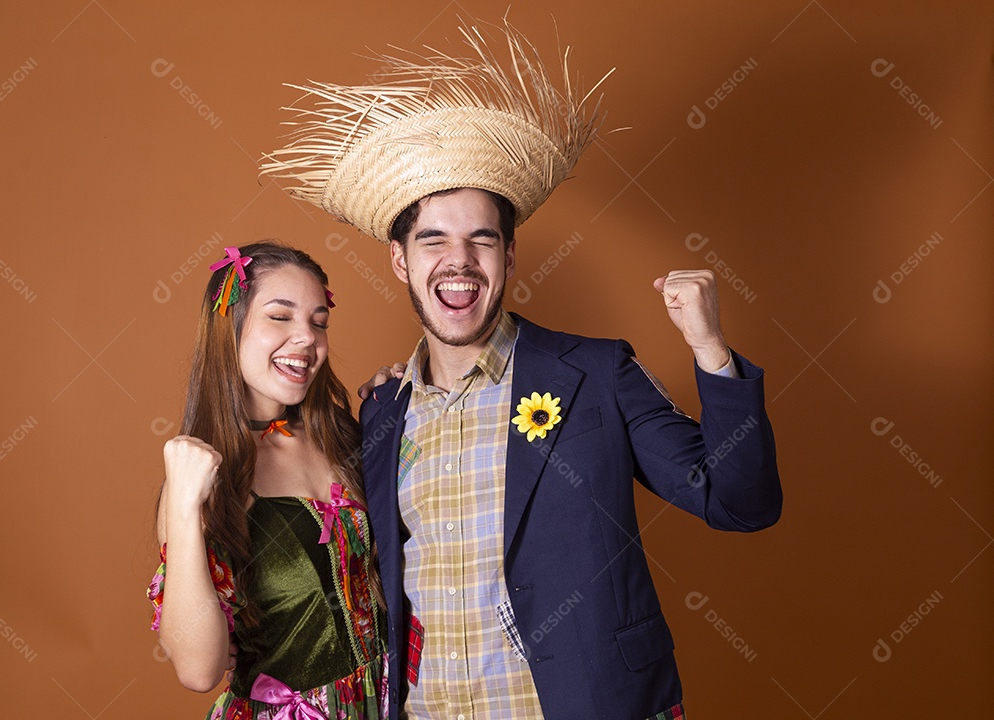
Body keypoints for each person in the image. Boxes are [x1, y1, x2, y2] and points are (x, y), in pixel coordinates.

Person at [261, 19, 782, 719]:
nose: (459, 261)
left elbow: (740, 502)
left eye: (482, 239)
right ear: (400, 261)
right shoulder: (382, 411)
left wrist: (711, 351)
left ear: (509, 255)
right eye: (434, 239)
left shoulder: (595, 374)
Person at [145, 242, 388, 719]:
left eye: (319, 322)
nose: (307, 339)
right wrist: (183, 505)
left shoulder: (340, 433)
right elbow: (198, 670)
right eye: (280, 317)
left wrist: (399, 407)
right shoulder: (201, 479)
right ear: (229, 327)